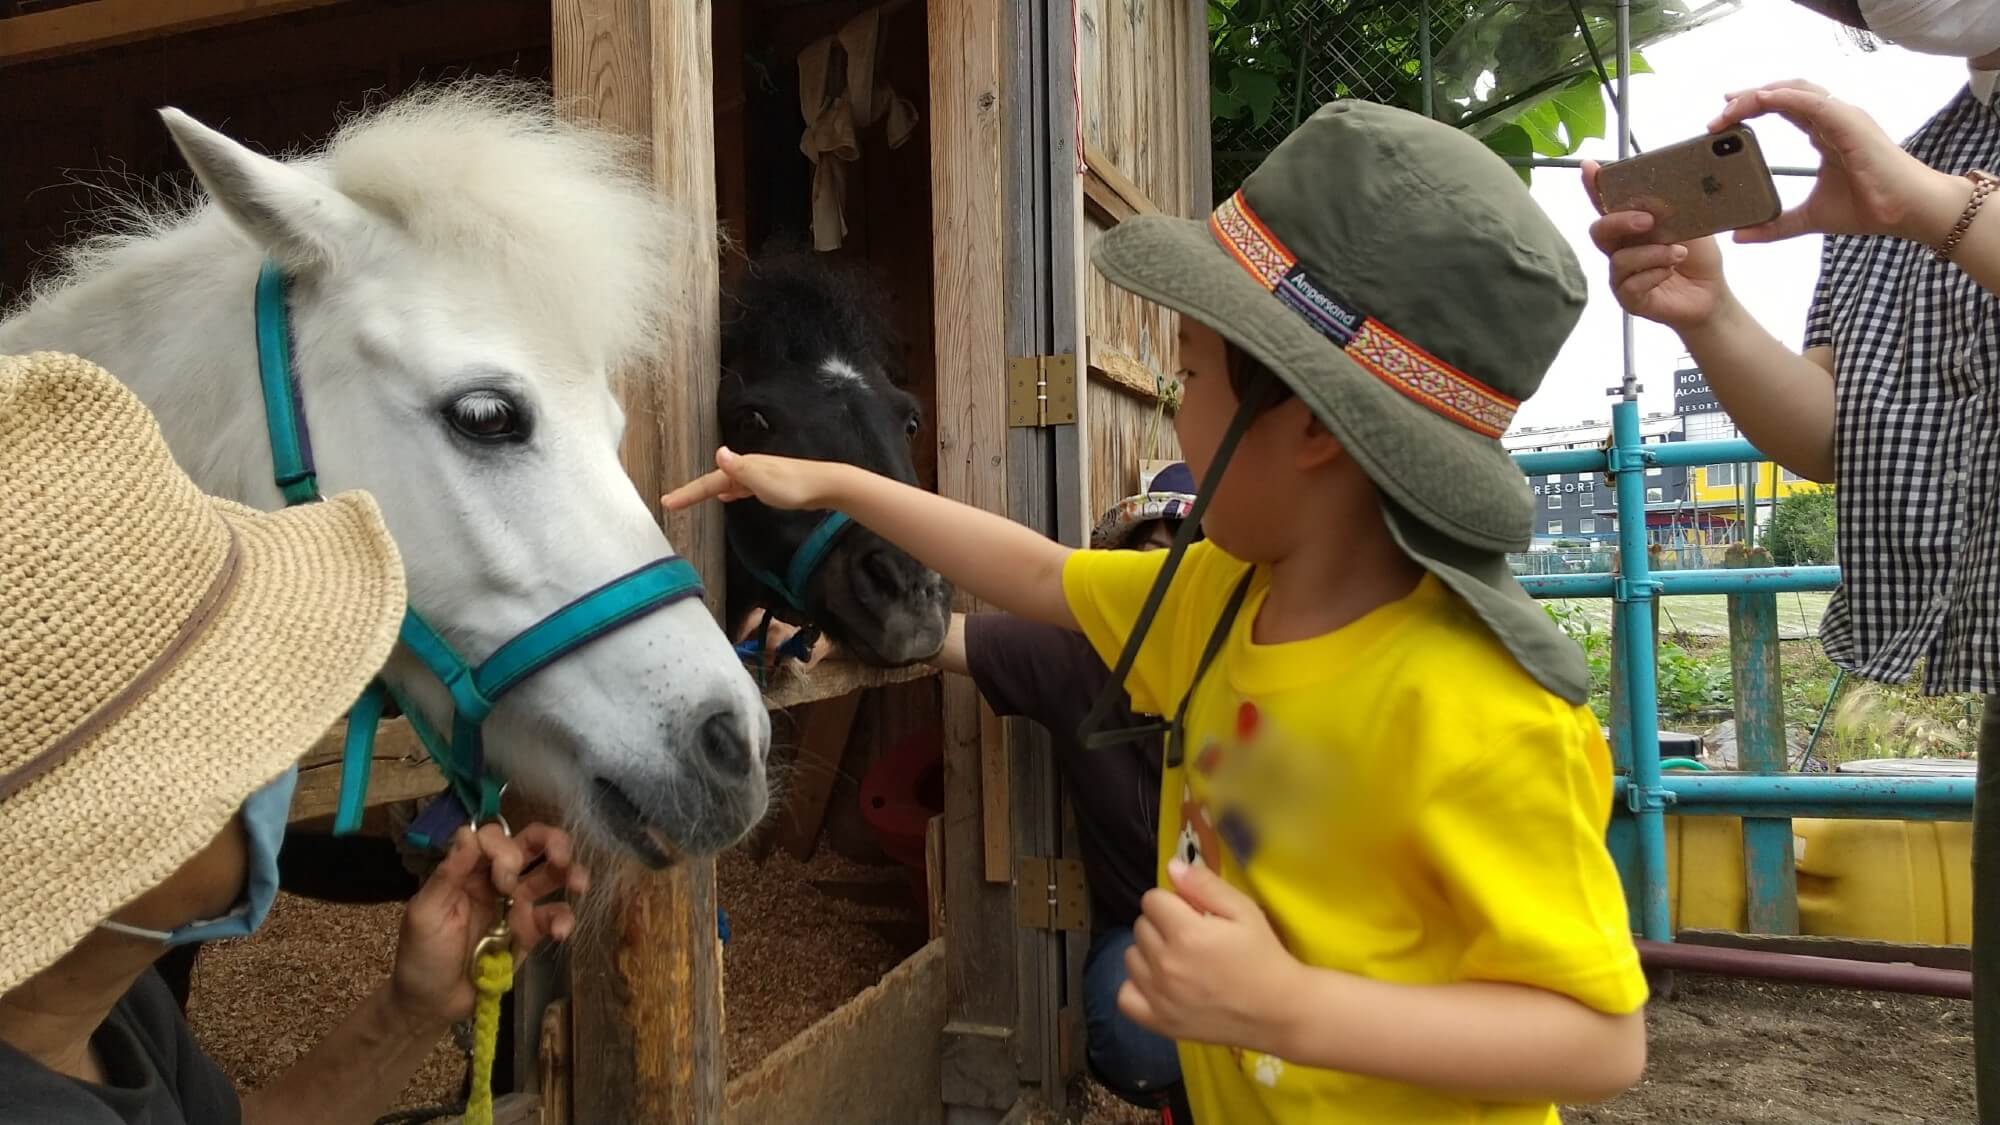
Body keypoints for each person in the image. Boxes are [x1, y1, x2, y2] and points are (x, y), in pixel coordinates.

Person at [670, 101, 1648, 1122]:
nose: (1172, 407)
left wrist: (1290, 1008)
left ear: (1308, 425)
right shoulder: (1219, 602)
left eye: (1186, 373)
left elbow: (1596, 1038)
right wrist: (837, 488)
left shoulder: (1483, 715)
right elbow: (1042, 577)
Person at [1586, 12, 2000, 1113]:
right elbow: (1828, 428)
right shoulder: (1910, 151)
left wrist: (1924, 206)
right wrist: (1707, 313)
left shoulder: (1902, 178)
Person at [0, 352, 587, 1125]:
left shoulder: (100, 1010)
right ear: (111, 832)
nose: (286, 739)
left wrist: (408, 1012)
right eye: (239, 711)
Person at [931, 464, 1197, 1121]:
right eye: (1144, 562)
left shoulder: (1259, 671)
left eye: (1183, 564)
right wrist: (833, 624)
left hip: (1266, 928)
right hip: (1149, 928)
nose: (1156, 588)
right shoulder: (1078, 660)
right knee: (1138, 1037)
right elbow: (943, 635)